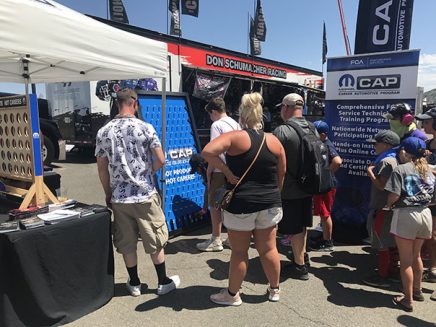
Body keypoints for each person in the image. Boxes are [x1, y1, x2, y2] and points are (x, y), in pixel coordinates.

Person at [202, 92, 286, 306]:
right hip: (270, 203)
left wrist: (227, 172)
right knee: (269, 249)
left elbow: (207, 152)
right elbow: (281, 174)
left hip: (241, 204)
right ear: (261, 115)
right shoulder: (274, 140)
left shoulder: (236, 138)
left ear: (242, 115)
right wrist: (274, 195)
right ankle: (274, 290)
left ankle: (232, 295)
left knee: (239, 252)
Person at [95, 88, 180, 297]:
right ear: (135, 103)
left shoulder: (104, 132)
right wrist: (147, 173)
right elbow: (160, 159)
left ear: (117, 104)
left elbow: (101, 168)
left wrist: (108, 193)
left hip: (120, 197)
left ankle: (134, 283)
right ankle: (163, 281)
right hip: (145, 194)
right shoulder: (145, 127)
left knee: (127, 241)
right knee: (155, 239)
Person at [385, 137, 435, 312]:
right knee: (417, 256)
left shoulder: (400, 169)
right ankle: (417, 290)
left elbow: (394, 195)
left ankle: (408, 299)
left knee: (405, 260)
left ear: (405, 152)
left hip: (407, 214)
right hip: (425, 213)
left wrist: (388, 206)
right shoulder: (428, 170)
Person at [273, 93, 313, 280]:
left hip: (289, 188)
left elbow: (270, 159)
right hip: (308, 186)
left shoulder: (282, 131)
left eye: (281, 107)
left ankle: (299, 266)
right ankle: (302, 256)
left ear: (286, 108)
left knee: (294, 228)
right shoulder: (311, 127)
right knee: (302, 226)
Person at [196, 97, 240, 252]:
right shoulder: (235, 123)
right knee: (230, 205)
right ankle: (231, 238)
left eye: (210, 114)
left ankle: (216, 239)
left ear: (213, 112)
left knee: (215, 206)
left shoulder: (217, 125)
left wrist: (209, 171)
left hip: (220, 171)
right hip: (235, 169)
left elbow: (214, 152)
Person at [362, 130, 400, 288]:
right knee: (391, 243)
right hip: (391, 208)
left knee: (382, 242)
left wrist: (370, 172)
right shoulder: (395, 158)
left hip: (383, 207)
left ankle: (382, 276)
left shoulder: (386, 162)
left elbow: (381, 186)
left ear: (386, 145)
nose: (374, 146)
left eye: (376, 143)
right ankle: (392, 271)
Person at [312, 120, 342, 252]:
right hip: (323, 184)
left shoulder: (327, 145)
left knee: (325, 214)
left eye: (316, 133)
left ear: (323, 134)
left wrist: (326, 172)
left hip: (327, 185)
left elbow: (337, 161)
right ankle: (325, 237)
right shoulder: (320, 143)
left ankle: (327, 242)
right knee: (322, 213)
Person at [416, 108, 436, 301]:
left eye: (427, 122)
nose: (423, 125)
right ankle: (433, 269)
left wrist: (429, 167)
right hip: (428, 198)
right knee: (431, 237)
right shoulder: (428, 143)